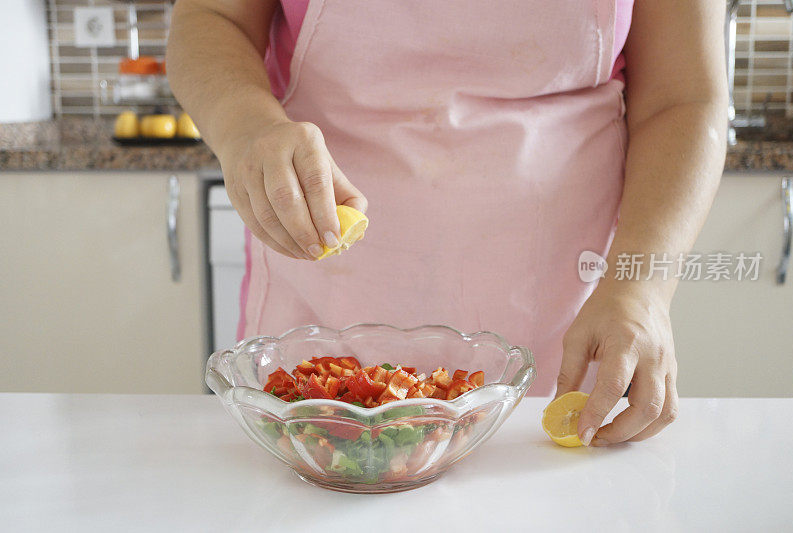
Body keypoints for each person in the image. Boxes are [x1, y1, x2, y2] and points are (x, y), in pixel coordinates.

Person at [167, 0, 727, 446]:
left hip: (559, 302)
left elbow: (685, 98)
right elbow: (211, 17)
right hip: (325, 286)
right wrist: (246, 127)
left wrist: (641, 290)